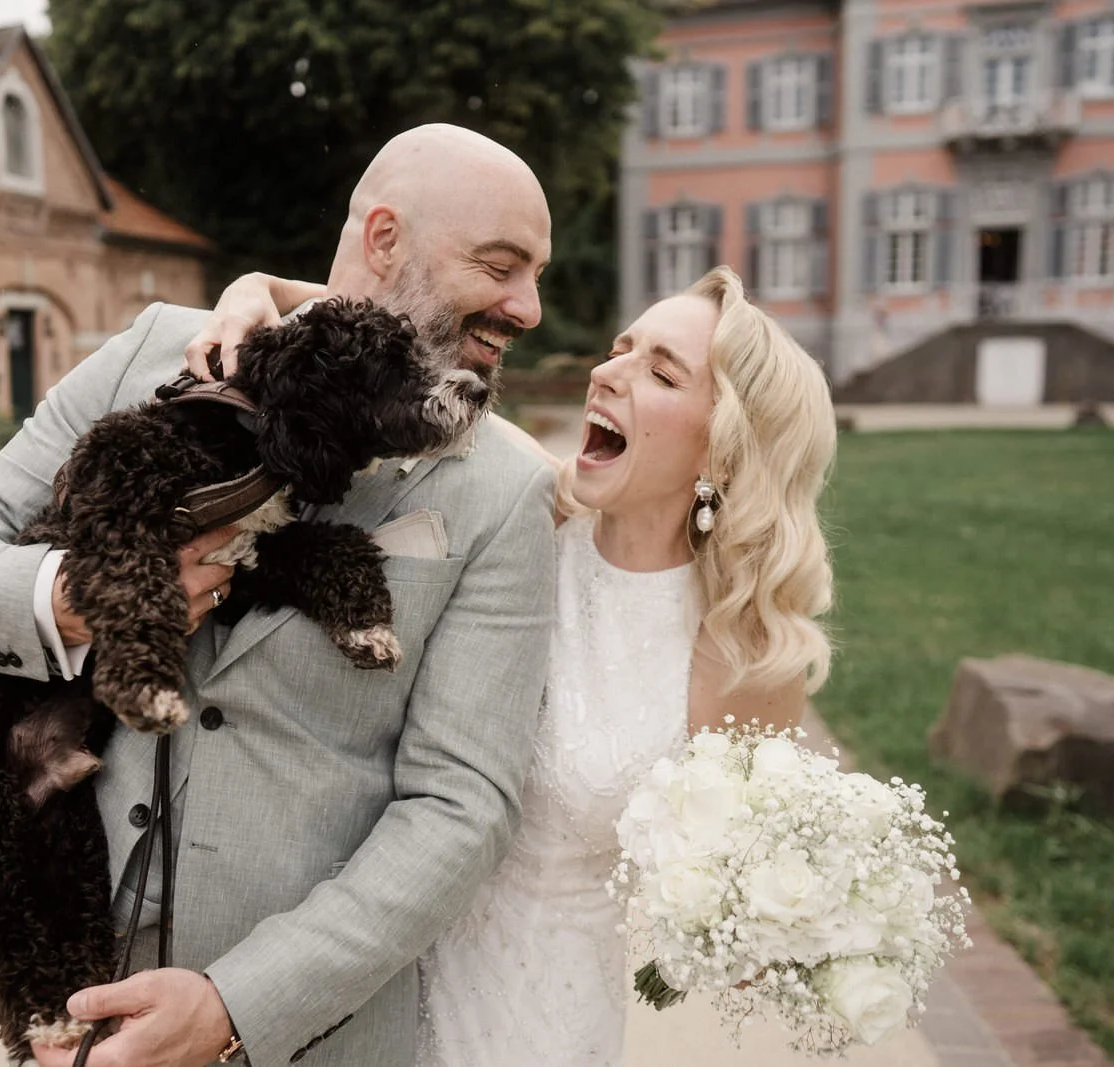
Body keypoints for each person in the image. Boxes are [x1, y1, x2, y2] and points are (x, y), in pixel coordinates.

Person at [0, 123, 557, 1067]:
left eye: (536, 275)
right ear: (383, 238)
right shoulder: (151, 351)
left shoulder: (506, 488)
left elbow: (461, 806)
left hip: (307, 1036)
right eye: (500, 265)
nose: (528, 306)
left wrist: (238, 1004)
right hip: (74, 1005)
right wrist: (77, 601)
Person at [206, 264, 835, 1066]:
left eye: (661, 372)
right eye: (622, 348)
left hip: (541, 1018)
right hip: (372, 979)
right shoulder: (524, 507)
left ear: (727, 446)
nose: (608, 372)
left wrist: (793, 926)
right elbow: (380, 322)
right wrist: (257, 290)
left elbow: (731, 903)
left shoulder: (747, 658)